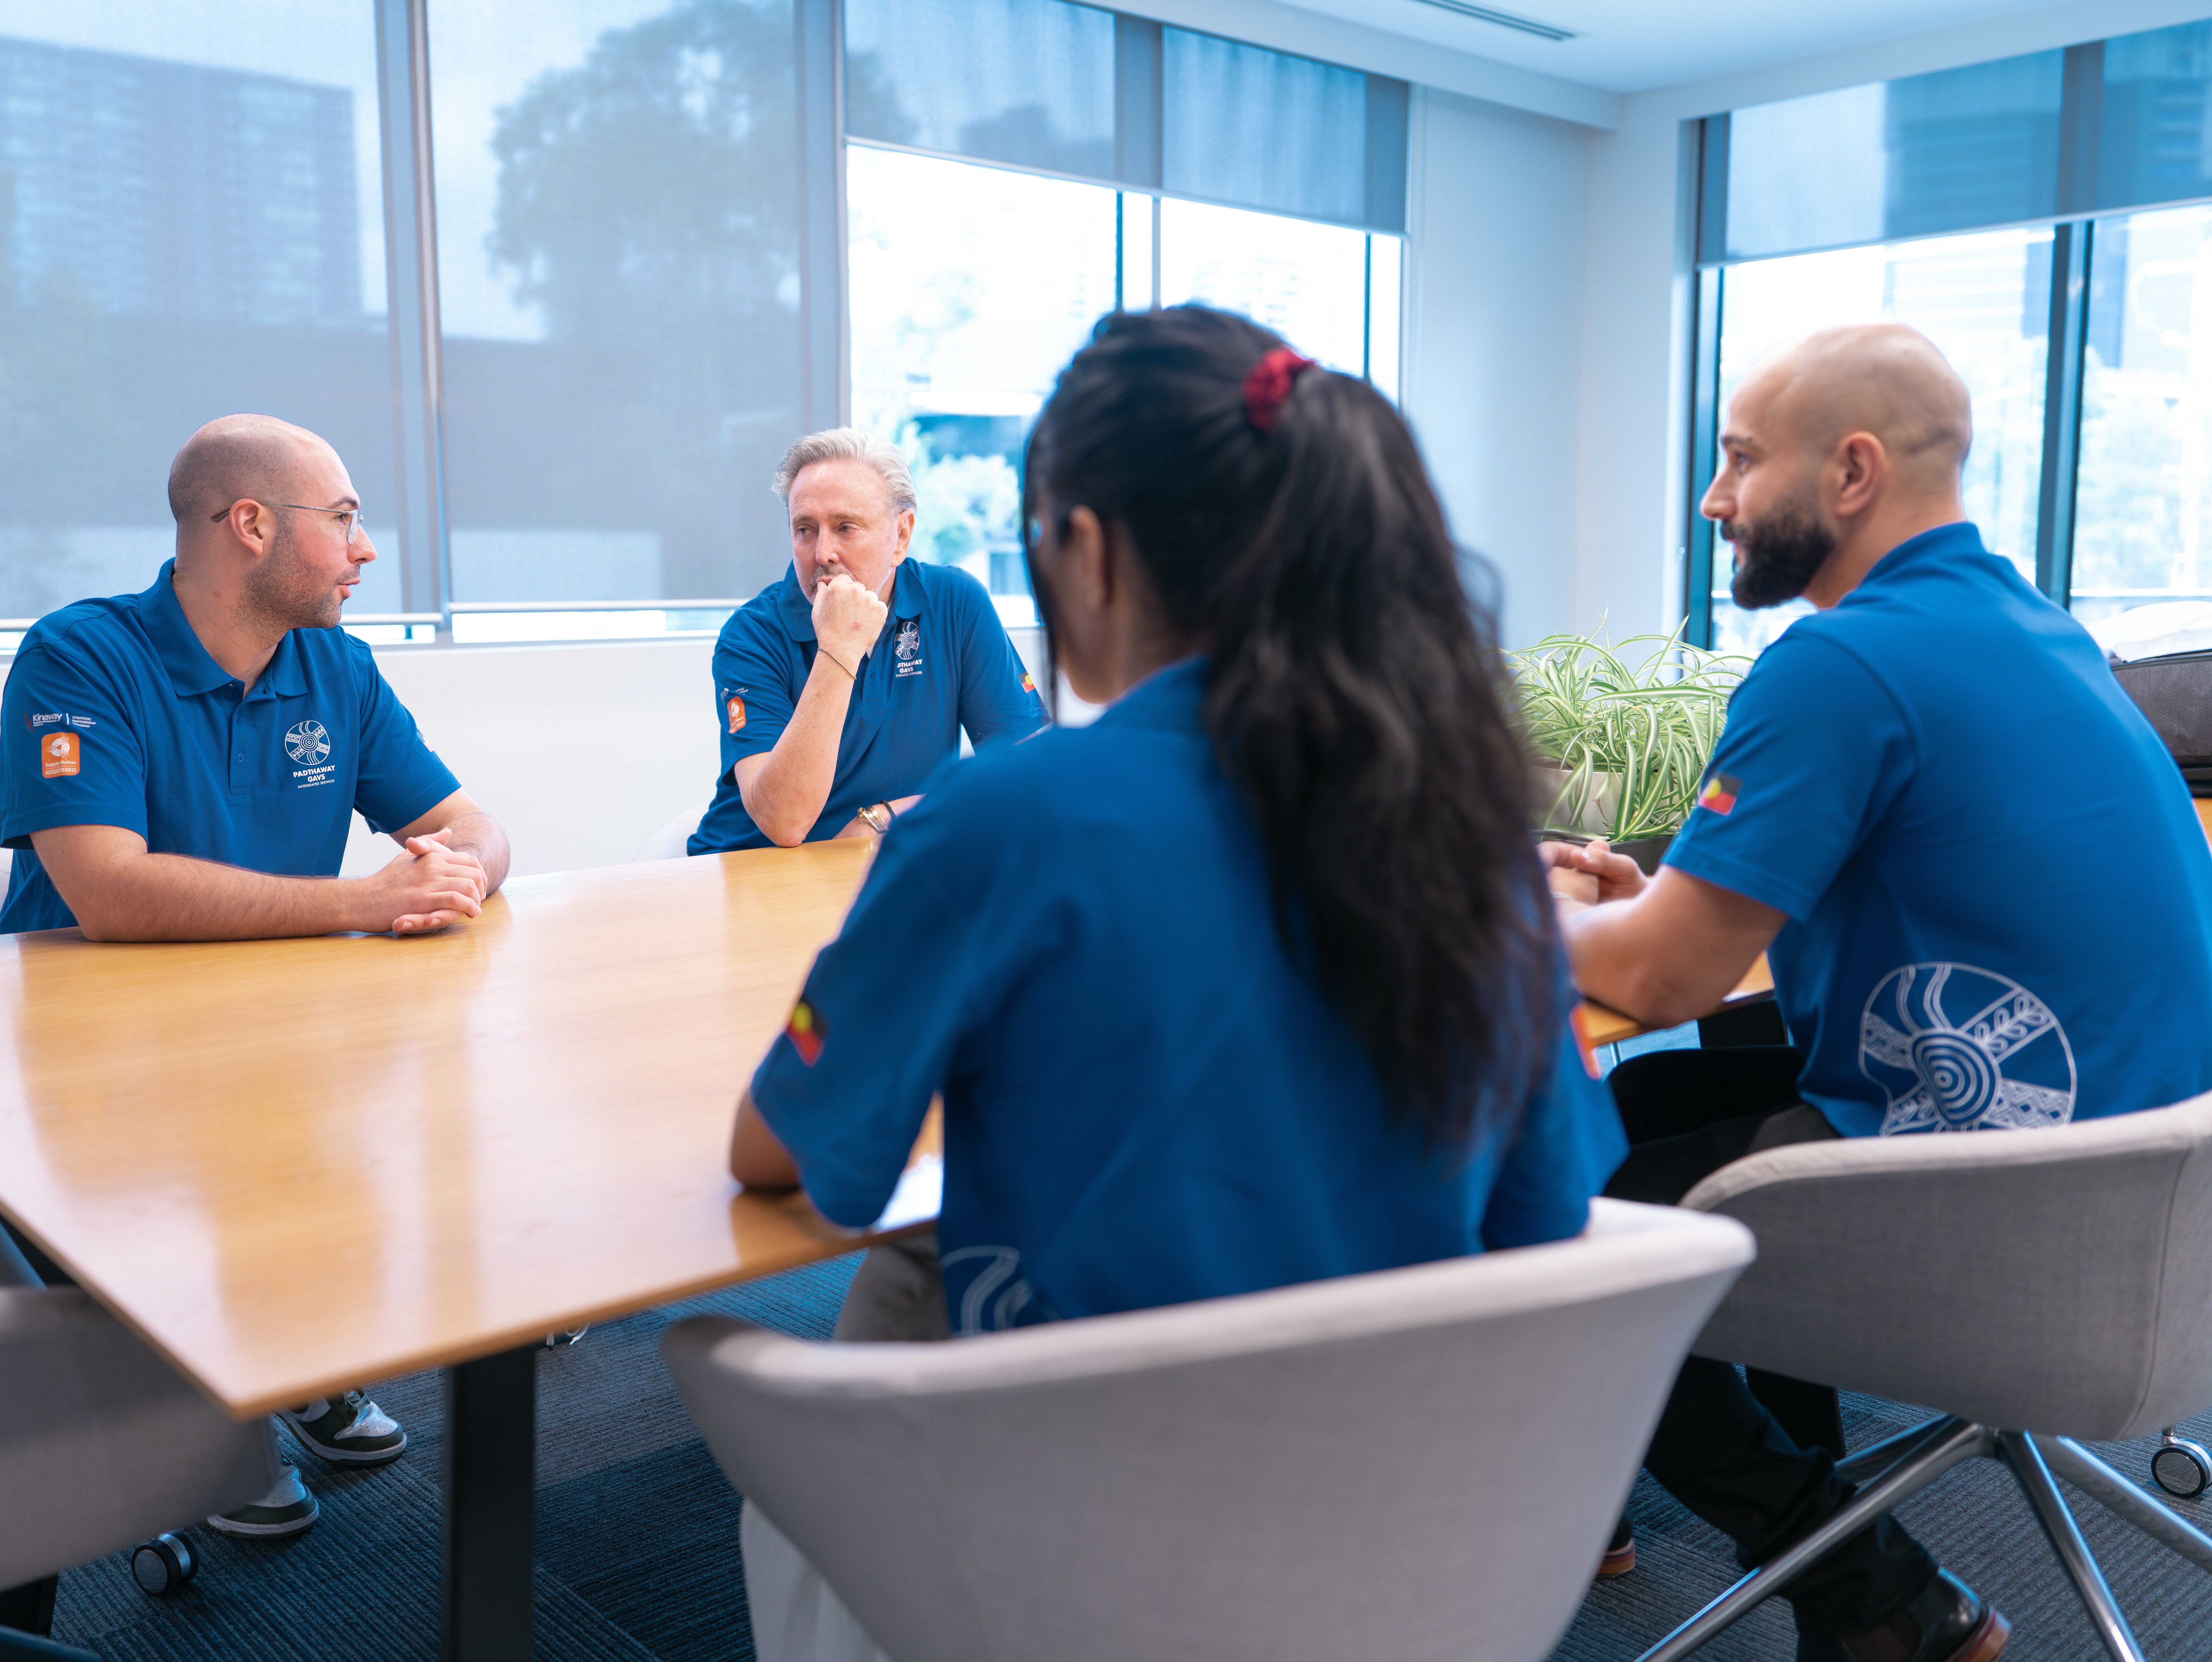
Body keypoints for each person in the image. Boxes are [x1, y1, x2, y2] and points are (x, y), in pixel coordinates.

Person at [726, 308, 1626, 1661]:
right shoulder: (1468, 835)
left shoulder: (996, 821)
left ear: (1083, 546)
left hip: (1086, 1549)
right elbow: (1544, 1213)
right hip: (1413, 1535)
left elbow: (780, 1152)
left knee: (835, 1395)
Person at [1547, 323, 2212, 1662]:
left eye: (1736, 459)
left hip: (2008, 1217)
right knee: (1660, 1092)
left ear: (1848, 472)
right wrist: (1644, 897)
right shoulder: (2030, 624)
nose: (1711, 497)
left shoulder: (1836, 664)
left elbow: (1670, 976)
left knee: (1568, 1239)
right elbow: (1767, 904)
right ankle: (1825, 1525)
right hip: (2136, 1193)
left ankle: (1870, 1593)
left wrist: (1503, 911)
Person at [0, 413, 514, 1537]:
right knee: (257, 1143)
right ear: (250, 526)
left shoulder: (337, 664)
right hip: (97, 1060)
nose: (367, 550)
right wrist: (367, 903)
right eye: (346, 520)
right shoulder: (80, 656)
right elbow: (110, 892)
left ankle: (294, 1360)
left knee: (391, 1115)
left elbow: (469, 821)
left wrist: (455, 873)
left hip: (273, 1031)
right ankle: (197, 1403)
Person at [687, 429, 1047, 853]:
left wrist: (885, 819)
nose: (823, 552)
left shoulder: (955, 603)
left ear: (901, 536)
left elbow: (1033, 773)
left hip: (886, 869)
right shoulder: (750, 636)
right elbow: (785, 821)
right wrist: (839, 648)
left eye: (845, 527)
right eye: (805, 529)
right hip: (751, 874)